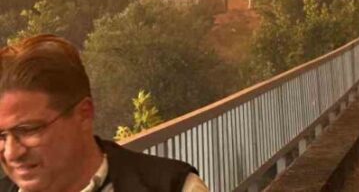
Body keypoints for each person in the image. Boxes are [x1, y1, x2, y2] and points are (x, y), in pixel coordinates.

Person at [0, 34, 207, 192]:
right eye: (1, 136)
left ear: (84, 114)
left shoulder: (176, 187)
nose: (11, 153)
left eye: (28, 130)